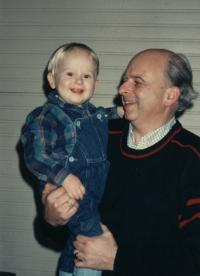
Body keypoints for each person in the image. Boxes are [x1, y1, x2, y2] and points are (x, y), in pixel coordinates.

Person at [42, 48, 200, 276]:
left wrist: (117, 259)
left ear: (170, 96)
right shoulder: (96, 137)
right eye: (125, 80)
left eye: (137, 82)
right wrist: (52, 218)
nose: (122, 89)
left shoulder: (192, 159)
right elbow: (62, 237)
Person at [21, 42, 123, 276]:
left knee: (75, 242)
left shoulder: (93, 113)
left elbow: (103, 115)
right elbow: (36, 156)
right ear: (52, 79)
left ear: (95, 84)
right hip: (67, 186)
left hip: (93, 189)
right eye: (70, 74)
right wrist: (64, 176)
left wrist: (118, 112)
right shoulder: (44, 116)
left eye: (87, 76)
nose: (79, 81)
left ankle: (67, 271)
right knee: (92, 237)